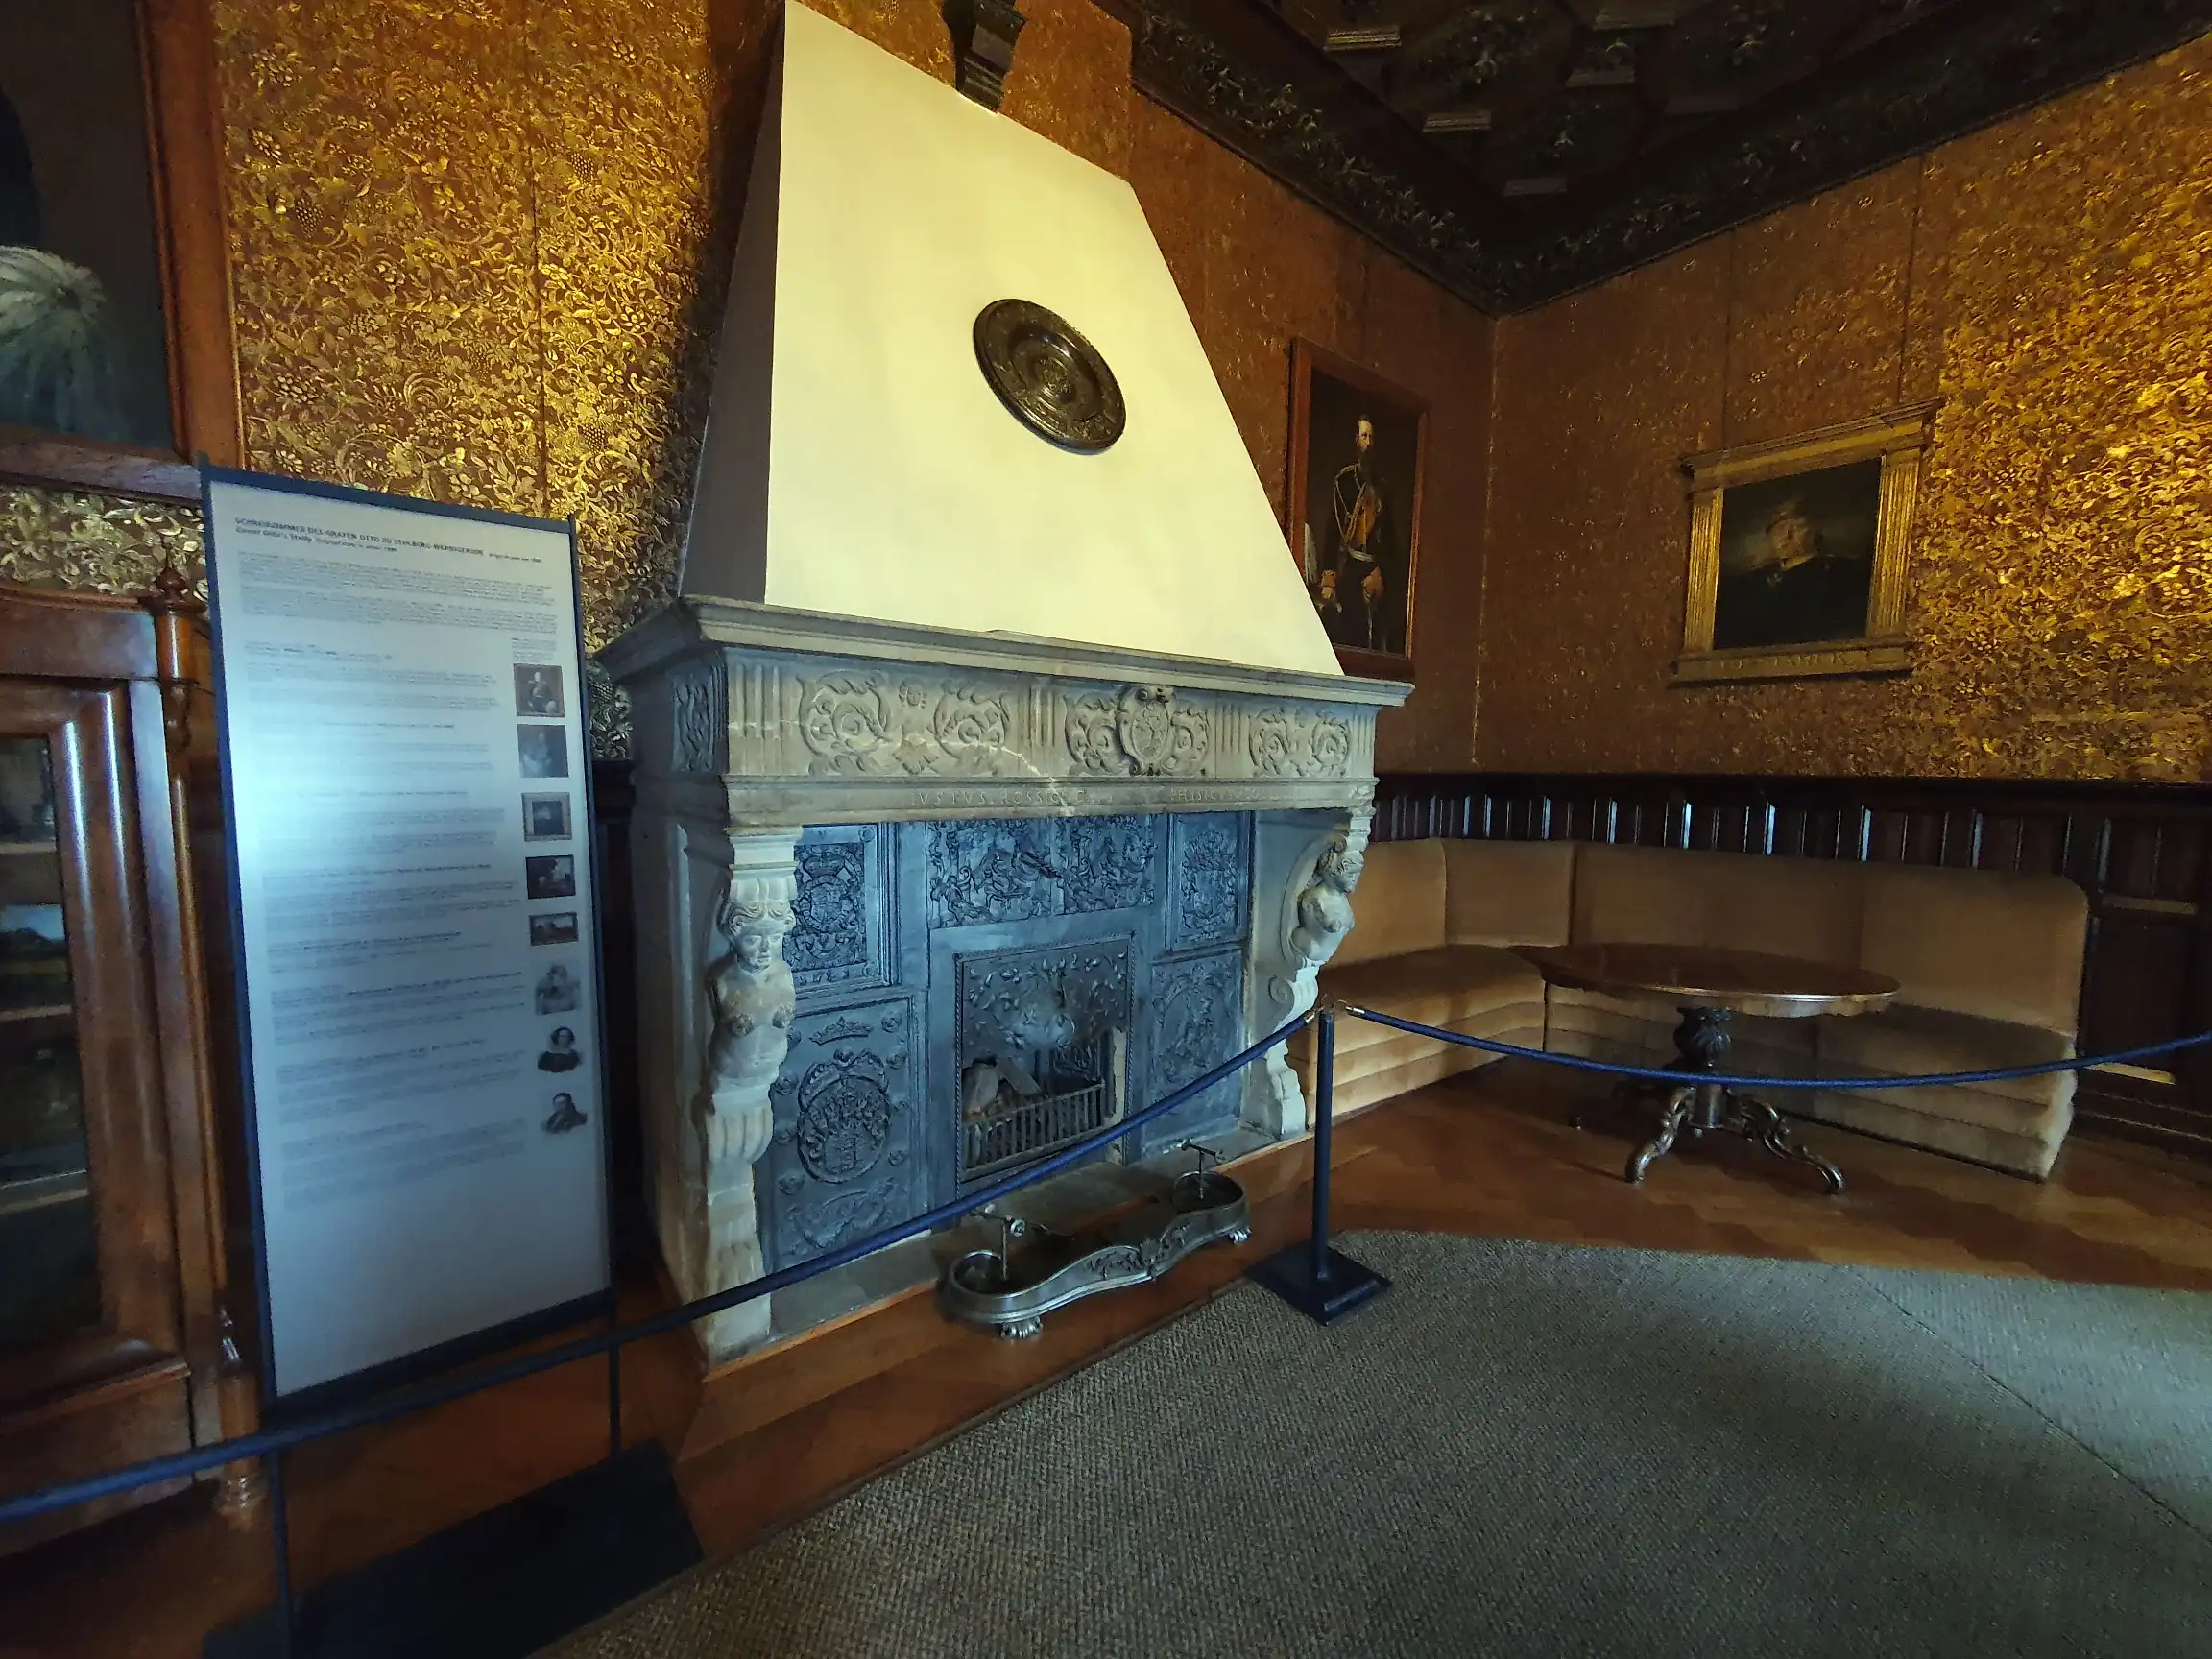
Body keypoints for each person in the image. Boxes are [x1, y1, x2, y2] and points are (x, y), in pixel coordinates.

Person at [1713, 497, 1873, 649]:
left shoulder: (1840, 572)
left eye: (1797, 527)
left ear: (1815, 531)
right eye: (1778, 529)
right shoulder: (1750, 580)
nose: (1785, 536)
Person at [1310, 415, 1404, 656]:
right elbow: (1333, 532)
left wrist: (1380, 572)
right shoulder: (1344, 482)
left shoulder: (1383, 486)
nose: (1368, 442)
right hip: (1350, 568)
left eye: (1371, 437)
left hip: (1375, 571)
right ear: (1356, 440)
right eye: (1364, 436)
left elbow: (1390, 540)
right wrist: (1329, 577)